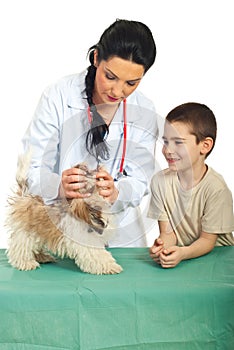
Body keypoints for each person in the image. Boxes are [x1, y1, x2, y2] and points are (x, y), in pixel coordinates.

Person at [20, 19, 158, 247]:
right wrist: (58, 186)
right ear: (96, 58)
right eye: (110, 76)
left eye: (131, 83)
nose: (118, 91)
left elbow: (141, 179)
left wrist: (116, 192)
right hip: (62, 231)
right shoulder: (59, 96)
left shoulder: (144, 111)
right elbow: (30, 168)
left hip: (121, 237)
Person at [148, 102, 234, 268]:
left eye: (178, 142)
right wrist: (163, 247)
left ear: (205, 146)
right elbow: (168, 233)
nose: (168, 150)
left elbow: (208, 240)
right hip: (185, 258)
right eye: (166, 141)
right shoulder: (159, 182)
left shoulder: (216, 188)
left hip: (219, 260)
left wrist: (183, 253)